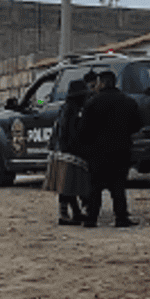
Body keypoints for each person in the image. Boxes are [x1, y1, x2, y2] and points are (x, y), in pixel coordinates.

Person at [78, 69, 144, 227]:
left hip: (97, 152)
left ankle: (91, 218)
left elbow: (83, 130)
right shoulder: (128, 102)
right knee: (119, 186)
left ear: (101, 83)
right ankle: (121, 218)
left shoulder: (92, 103)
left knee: (95, 187)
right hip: (121, 151)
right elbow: (138, 125)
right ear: (115, 83)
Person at [43, 78, 91, 226]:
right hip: (67, 152)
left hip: (62, 150)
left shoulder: (67, 108)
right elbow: (69, 132)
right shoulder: (72, 110)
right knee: (67, 186)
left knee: (67, 186)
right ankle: (65, 215)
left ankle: (72, 213)